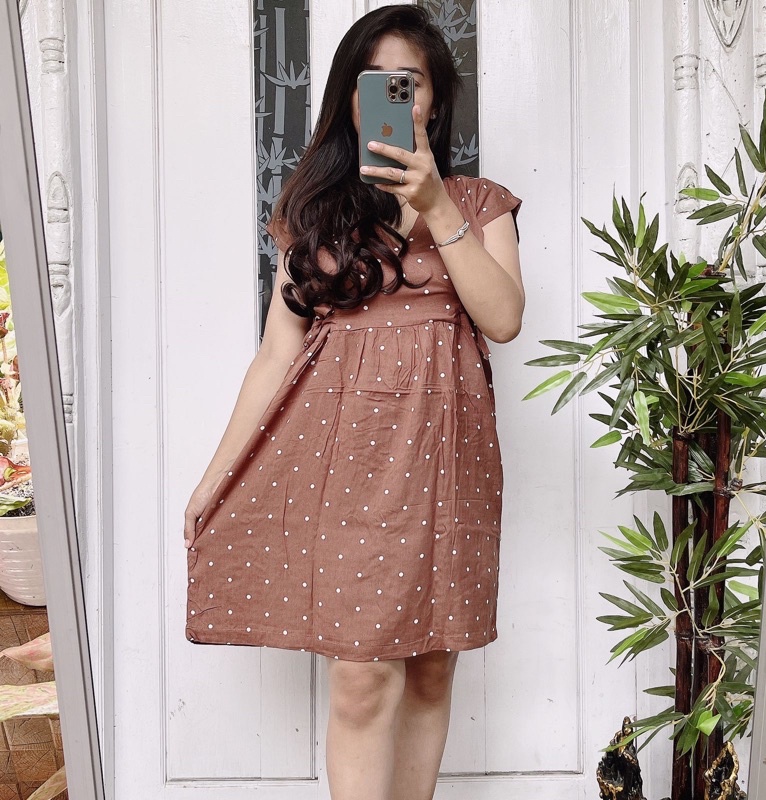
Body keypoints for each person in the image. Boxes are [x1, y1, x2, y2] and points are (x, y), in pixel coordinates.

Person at [183, 5, 524, 798]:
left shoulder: (478, 203)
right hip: (345, 462)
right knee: (362, 677)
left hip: (447, 457)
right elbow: (276, 355)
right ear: (349, 97)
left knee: (432, 667)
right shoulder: (315, 214)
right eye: (376, 82)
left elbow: (503, 319)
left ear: (436, 100)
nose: (395, 96)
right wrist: (212, 478)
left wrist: (437, 207)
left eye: (411, 82)